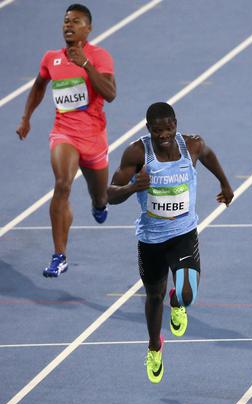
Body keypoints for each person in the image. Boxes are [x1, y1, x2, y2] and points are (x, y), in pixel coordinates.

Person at [107, 102, 233, 383]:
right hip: (151, 239)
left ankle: (178, 302)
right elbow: (109, 194)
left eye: (168, 129)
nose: (163, 136)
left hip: (183, 234)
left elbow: (210, 156)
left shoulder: (192, 146)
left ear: (176, 124)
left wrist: (225, 184)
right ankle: (154, 346)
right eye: (157, 131)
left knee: (188, 294)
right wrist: (132, 188)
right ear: (148, 129)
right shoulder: (137, 153)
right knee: (154, 295)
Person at [16, 3, 117, 277]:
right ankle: (59, 255)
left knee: (100, 195)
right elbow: (38, 86)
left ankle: (98, 204)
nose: (68, 25)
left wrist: (84, 63)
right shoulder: (51, 58)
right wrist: (26, 118)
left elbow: (110, 93)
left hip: (94, 137)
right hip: (65, 133)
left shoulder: (100, 56)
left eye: (75, 21)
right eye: (65, 21)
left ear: (88, 27)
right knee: (62, 185)